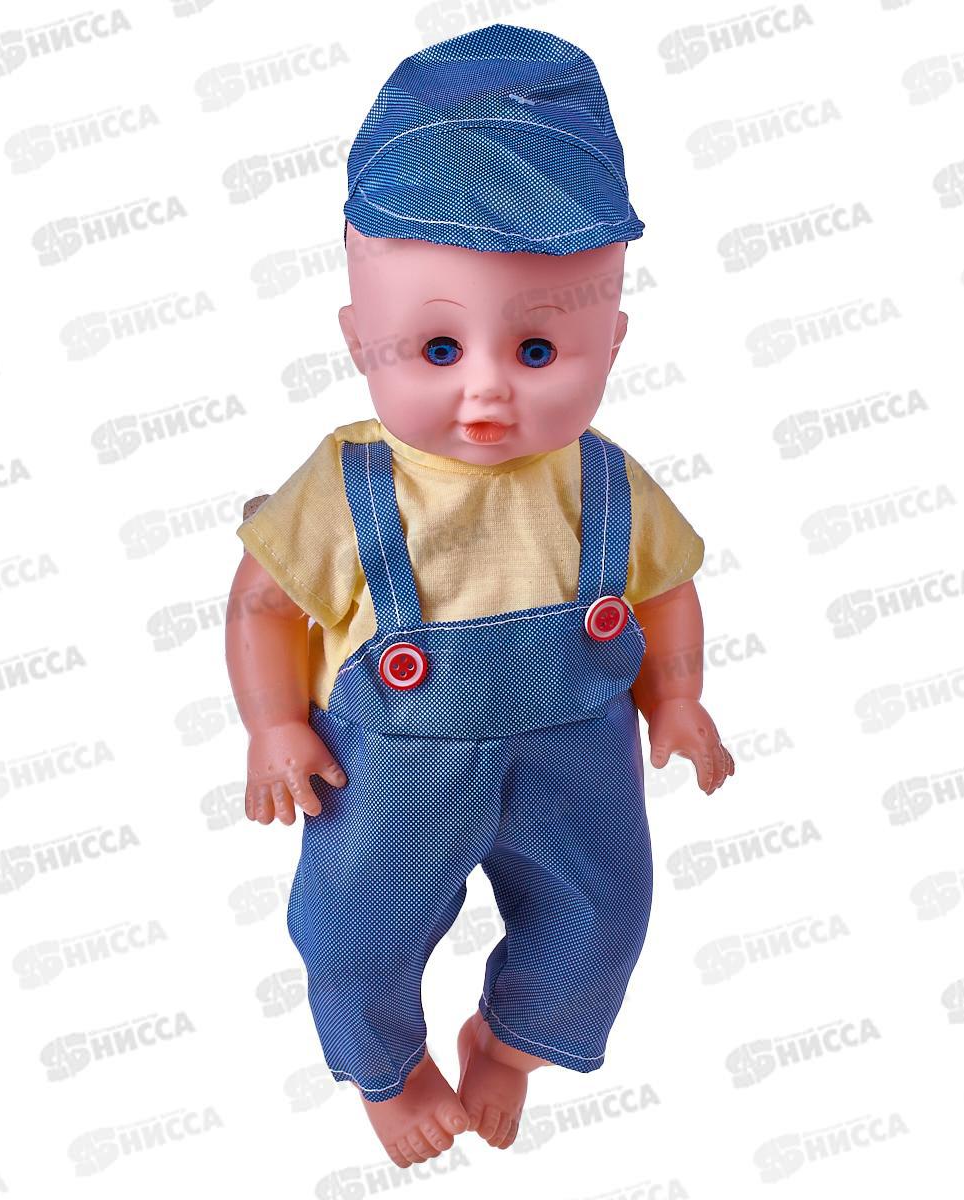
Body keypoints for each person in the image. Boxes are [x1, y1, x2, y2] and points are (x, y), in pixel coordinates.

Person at [223, 23, 734, 1171]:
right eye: (438, 348)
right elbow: (262, 603)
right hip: (391, 768)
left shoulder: (606, 482)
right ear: (360, 340)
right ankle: (389, 1066)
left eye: (540, 351)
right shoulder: (349, 486)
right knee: (356, 932)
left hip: (578, 751)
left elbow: (665, 589)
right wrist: (273, 724)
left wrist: (677, 698)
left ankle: (510, 1041)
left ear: (612, 339)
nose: (490, 391)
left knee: (604, 914)